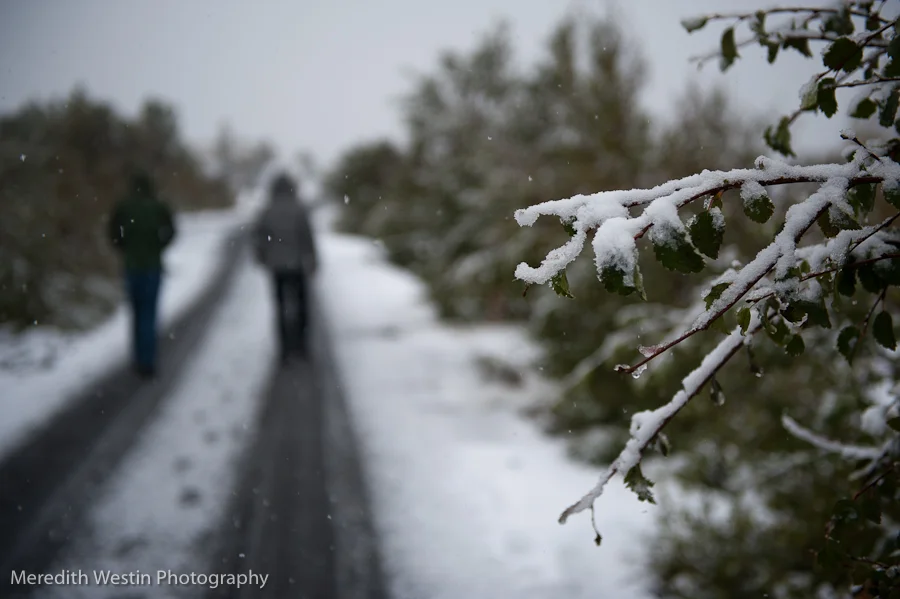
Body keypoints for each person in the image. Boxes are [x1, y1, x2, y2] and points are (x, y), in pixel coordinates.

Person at [107, 169, 176, 378]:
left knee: (136, 314)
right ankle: (147, 360)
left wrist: (124, 248)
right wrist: (159, 246)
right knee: (149, 314)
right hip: (152, 268)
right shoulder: (158, 207)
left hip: (131, 268)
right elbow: (172, 230)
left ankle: (138, 358)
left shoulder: (124, 207)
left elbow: (112, 232)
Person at [252, 172, 318, 362]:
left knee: (280, 307)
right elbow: (307, 237)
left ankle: (284, 349)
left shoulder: (267, 210)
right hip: (296, 265)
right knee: (302, 306)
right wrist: (312, 260)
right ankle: (302, 346)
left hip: (277, 266)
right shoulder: (299, 209)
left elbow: (259, 238)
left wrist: (262, 257)